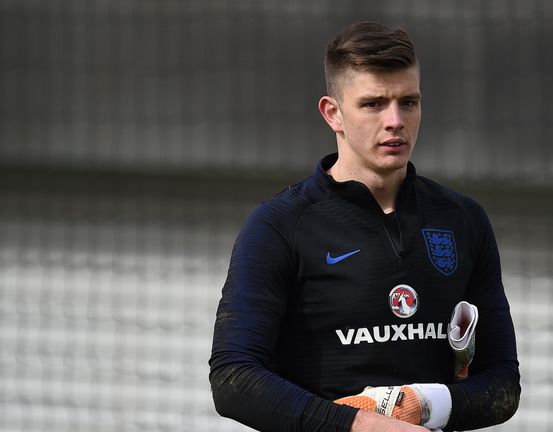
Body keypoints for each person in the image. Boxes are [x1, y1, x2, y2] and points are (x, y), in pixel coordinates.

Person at [209, 21, 521, 432]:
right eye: (373, 104)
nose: (395, 121)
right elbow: (233, 379)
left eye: (408, 102)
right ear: (333, 113)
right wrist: (364, 426)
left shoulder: (463, 220)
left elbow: (502, 386)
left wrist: (419, 405)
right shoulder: (279, 225)